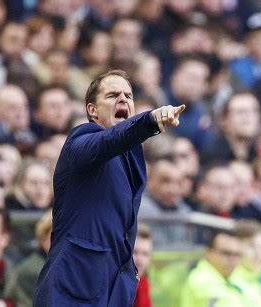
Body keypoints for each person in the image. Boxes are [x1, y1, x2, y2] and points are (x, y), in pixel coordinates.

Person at [33, 70, 185, 306]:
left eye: (128, 95)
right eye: (113, 95)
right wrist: (149, 121)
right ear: (92, 110)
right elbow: (108, 141)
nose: (123, 99)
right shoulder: (82, 138)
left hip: (111, 289)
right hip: (73, 286)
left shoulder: (132, 155)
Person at [180, 229, 247, 307]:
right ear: (208, 253)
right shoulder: (201, 281)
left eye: (237, 255)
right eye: (226, 253)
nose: (233, 260)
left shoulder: (233, 277)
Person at [133, 224, 153, 307]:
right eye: (135, 252)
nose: (140, 259)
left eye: (145, 254)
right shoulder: (117, 287)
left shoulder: (144, 283)